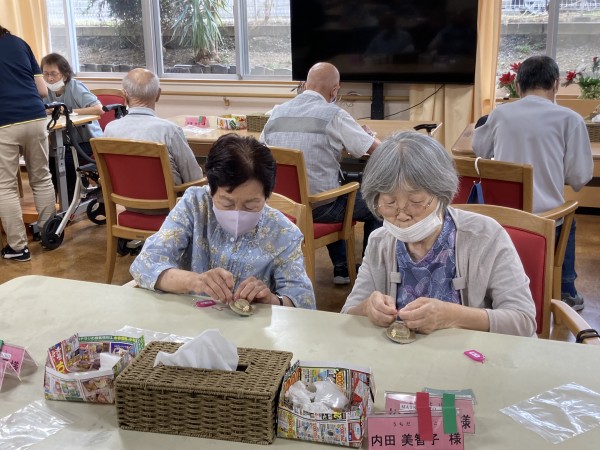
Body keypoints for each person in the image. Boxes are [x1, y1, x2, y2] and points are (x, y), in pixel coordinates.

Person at [341, 131, 537, 337]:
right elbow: (347, 314)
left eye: (416, 202)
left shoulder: (484, 236)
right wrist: (367, 309)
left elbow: (523, 321)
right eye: (389, 203)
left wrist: (454, 316)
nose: (402, 215)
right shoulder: (379, 242)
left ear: (442, 194)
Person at [130, 134, 315, 310]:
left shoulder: (284, 233)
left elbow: (304, 304)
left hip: (250, 329)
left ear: (267, 196)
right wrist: (195, 281)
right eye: (226, 203)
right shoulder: (195, 205)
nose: (237, 214)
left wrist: (272, 301)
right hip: (189, 321)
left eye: (251, 205)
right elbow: (145, 264)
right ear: (211, 190)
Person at [472, 55, 593, 312]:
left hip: (503, 218)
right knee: (568, 216)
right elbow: (580, 177)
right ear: (556, 84)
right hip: (546, 220)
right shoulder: (570, 119)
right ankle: (566, 290)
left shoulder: (501, 114)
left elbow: (479, 149)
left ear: (518, 86)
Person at [261, 62, 382, 285]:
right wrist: (367, 136)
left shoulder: (276, 113)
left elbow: (262, 153)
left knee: (332, 188)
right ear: (335, 90)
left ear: (305, 85)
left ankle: (341, 267)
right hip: (320, 207)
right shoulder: (333, 114)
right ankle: (369, 274)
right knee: (378, 205)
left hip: (283, 208)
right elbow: (375, 149)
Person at [0, 25, 56, 262]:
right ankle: (49, 234)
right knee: (41, 177)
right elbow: (42, 90)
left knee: (5, 187)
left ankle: (18, 248)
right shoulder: (19, 43)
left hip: (4, 122)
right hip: (35, 117)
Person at [103, 68, 203, 186]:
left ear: (124, 95)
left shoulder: (110, 129)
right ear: (158, 94)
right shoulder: (170, 131)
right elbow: (194, 179)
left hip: (122, 195)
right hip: (170, 197)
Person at [41, 53, 104, 203]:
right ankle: (62, 203)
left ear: (64, 74)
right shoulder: (44, 91)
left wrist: (69, 111)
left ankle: (74, 202)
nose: (49, 79)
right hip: (62, 142)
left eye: (54, 74)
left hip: (87, 141)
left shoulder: (75, 87)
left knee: (66, 161)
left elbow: (98, 109)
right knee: (49, 162)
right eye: (46, 74)